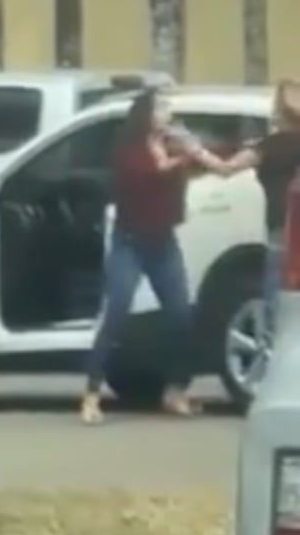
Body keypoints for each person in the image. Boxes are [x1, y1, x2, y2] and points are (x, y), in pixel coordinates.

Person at [80, 87, 234, 425]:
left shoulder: (173, 143)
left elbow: (213, 159)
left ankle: (175, 389)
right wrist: (185, 156)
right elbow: (150, 174)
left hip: (162, 242)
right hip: (129, 242)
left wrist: (205, 151)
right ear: (145, 114)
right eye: (161, 107)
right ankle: (91, 393)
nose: (168, 112)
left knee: (181, 315)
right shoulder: (129, 150)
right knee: (117, 312)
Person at [222, 79, 300, 326]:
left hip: (283, 226)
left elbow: (226, 168)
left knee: (276, 288)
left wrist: (194, 150)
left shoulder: (269, 146)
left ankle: (271, 336)